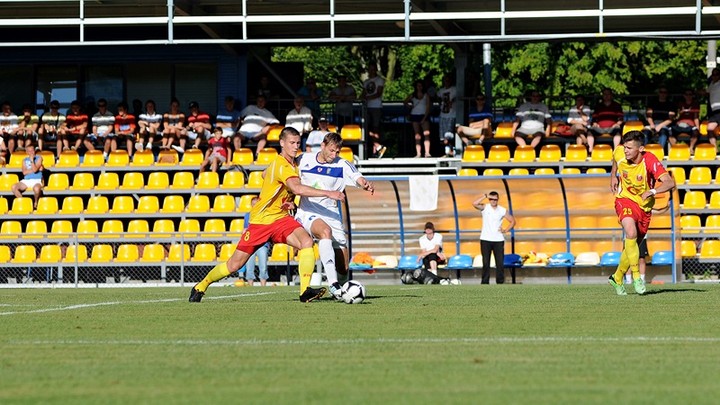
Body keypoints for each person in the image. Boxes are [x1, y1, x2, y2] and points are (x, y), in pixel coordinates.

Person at [189, 127, 345, 303]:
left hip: (280, 218)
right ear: (282, 143)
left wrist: (287, 200)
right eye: (291, 143)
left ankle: (304, 291)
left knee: (306, 242)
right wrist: (329, 193)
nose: (295, 147)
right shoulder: (283, 165)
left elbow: (265, 175)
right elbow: (296, 188)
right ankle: (201, 285)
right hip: (261, 222)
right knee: (234, 265)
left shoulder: (289, 164)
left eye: (297, 143)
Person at [294, 131, 375, 300]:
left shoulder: (342, 164)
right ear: (323, 146)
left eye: (337, 151)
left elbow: (356, 175)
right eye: (331, 150)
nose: (334, 154)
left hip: (332, 214)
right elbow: (290, 180)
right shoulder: (303, 160)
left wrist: (364, 183)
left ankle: (342, 290)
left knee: (344, 267)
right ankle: (333, 284)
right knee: (325, 232)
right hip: (308, 211)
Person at [608, 130, 675, 296]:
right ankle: (637, 278)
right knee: (630, 232)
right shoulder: (620, 152)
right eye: (625, 147)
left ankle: (617, 277)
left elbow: (669, 182)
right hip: (624, 200)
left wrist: (652, 191)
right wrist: (613, 176)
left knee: (633, 244)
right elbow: (615, 161)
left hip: (644, 207)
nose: (626, 151)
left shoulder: (649, 160)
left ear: (641, 149)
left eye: (630, 148)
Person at [472, 191, 516, 284]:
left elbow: (512, 221)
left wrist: (505, 230)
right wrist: (484, 196)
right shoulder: (485, 207)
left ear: (498, 199)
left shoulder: (502, 210)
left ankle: (500, 282)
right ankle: (485, 282)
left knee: (500, 263)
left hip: (498, 240)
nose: (493, 201)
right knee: (486, 263)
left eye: (495, 199)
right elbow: (474, 203)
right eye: (491, 199)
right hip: (485, 239)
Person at [242, 197, 269, 286]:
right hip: (251, 244)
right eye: (253, 204)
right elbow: (245, 229)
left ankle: (263, 285)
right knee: (249, 266)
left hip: (262, 244)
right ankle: (250, 285)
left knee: (263, 266)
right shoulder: (247, 215)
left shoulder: (265, 215)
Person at [361, 64, 386, 158]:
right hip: (366, 107)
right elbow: (363, 93)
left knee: (375, 128)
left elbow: (378, 93)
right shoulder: (366, 81)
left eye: (373, 69)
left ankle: (376, 150)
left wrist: (367, 98)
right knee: (367, 129)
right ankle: (378, 147)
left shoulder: (380, 80)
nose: (371, 71)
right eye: (370, 69)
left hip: (376, 106)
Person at [404, 80, 432, 158]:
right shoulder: (413, 95)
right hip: (414, 115)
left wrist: (424, 118)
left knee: (426, 133)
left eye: (420, 86)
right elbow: (405, 101)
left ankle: (427, 152)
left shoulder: (426, 95)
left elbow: (428, 107)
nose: (419, 87)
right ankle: (418, 153)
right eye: (418, 86)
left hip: (424, 115)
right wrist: (410, 106)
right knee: (417, 135)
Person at [11, 145, 44, 209]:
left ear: (34, 151)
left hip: (37, 180)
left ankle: (36, 202)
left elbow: (34, 170)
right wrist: (36, 168)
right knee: (14, 187)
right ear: (27, 152)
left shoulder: (39, 158)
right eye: (29, 151)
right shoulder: (24, 160)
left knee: (36, 189)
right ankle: (24, 203)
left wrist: (32, 161)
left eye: (32, 150)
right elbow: (24, 172)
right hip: (27, 180)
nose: (31, 152)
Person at [643, 86, 675, 151]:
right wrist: (652, 124)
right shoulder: (652, 103)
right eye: (661, 92)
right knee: (645, 133)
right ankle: (643, 152)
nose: (663, 94)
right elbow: (649, 116)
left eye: (664, 92)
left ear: (667, 94)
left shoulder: (671, 104)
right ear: (658, 93)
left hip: (664, 125)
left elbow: (670, 119)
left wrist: (660, 126)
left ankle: (660, 151)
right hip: (652, 124)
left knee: (664, 133)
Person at [437, 75, 457, 157]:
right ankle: (447, 151)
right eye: (445, 80)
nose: (447, 82)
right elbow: (437, 97)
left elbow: (456, 98)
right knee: (442, 136)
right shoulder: (441, 91)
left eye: (448, 80)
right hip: (443, 114)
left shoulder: (454, 89)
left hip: (451, 114)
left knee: (449, 134)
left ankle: (452, 150)